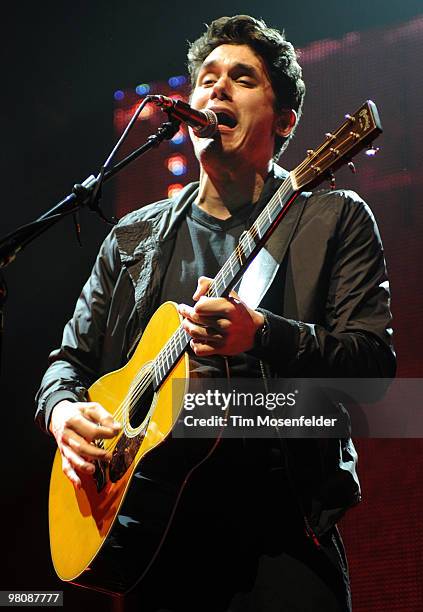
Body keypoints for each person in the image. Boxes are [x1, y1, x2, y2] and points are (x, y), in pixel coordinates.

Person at [35, 15, 396, 612]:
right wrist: (62, 412)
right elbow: (66, 363)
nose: (215, 90)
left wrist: (264, 335)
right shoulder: (133, 239)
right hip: (153, 540)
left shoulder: (331, 219)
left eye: (241, 78)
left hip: (281, 537)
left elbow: (374, 370)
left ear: (285, 121)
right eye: (205, 78)